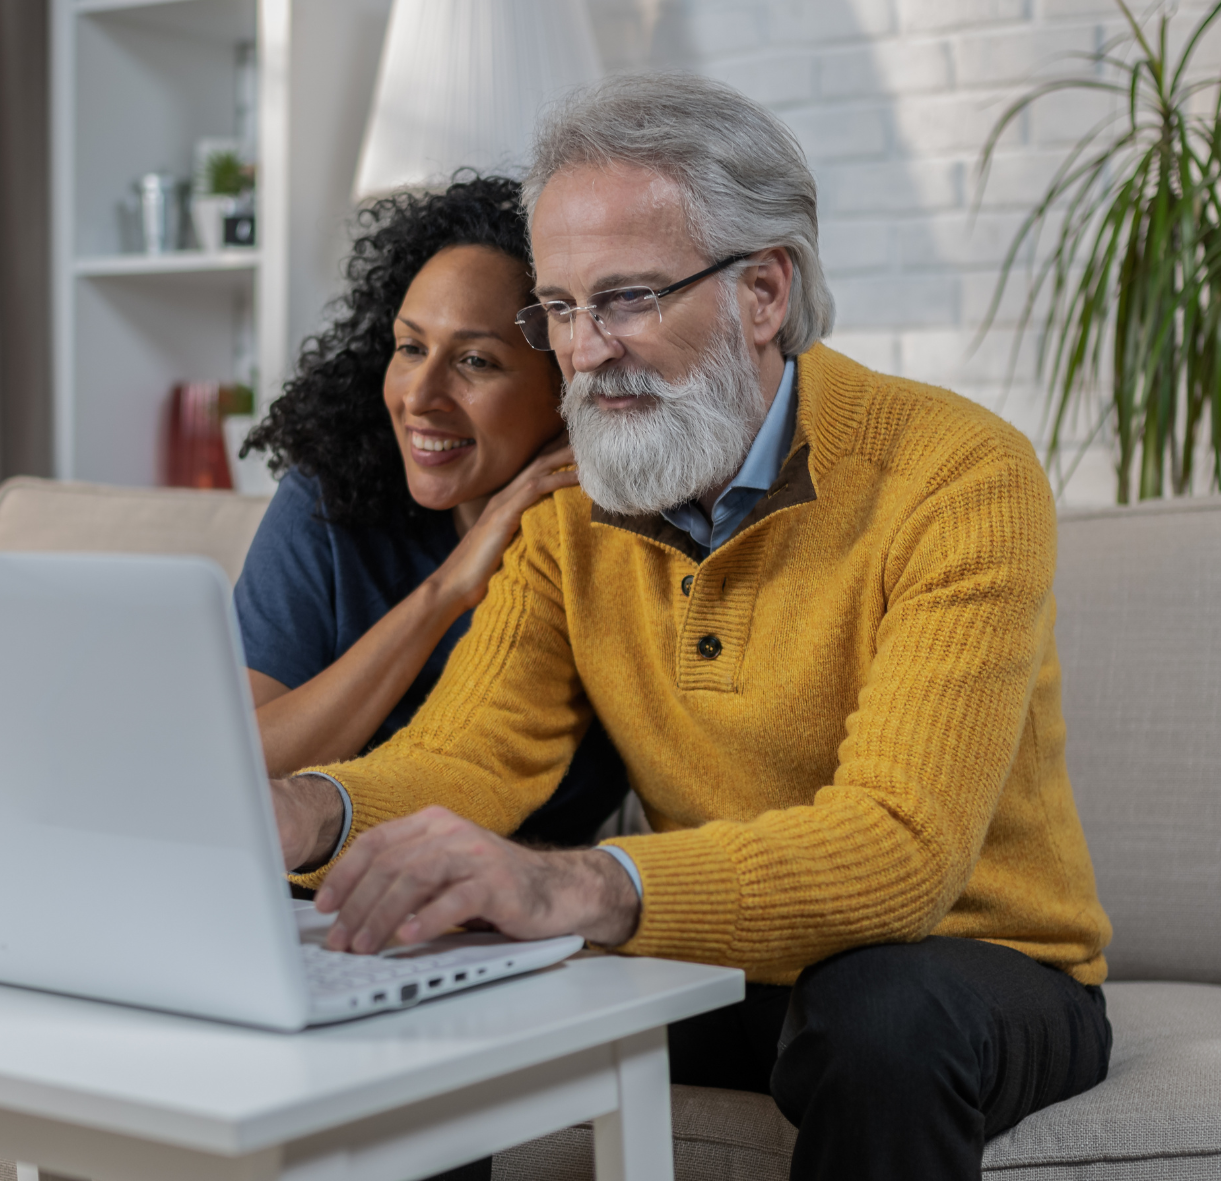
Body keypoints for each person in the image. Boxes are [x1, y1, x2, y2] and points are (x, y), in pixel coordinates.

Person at [269, 76, 1113, 1179]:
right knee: (423, 956)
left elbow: (902, 853)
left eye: (625, 299)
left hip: (972, 961)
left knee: (884, 1013)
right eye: (561, 309)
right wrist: (308, 812)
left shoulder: (957, 473)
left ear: (765, 291)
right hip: (723, 957)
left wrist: (583, 885)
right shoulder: (576, 500)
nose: (583, 350)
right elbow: (469, 753)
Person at [236, 174, 628, 851]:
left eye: (475, 361)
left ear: (568, 385)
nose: (420, 395)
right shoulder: (330, 497)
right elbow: (239, 763)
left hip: (524, 917)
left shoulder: (618, 539)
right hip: (307, 895)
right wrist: (446, 592)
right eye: (411, 348)